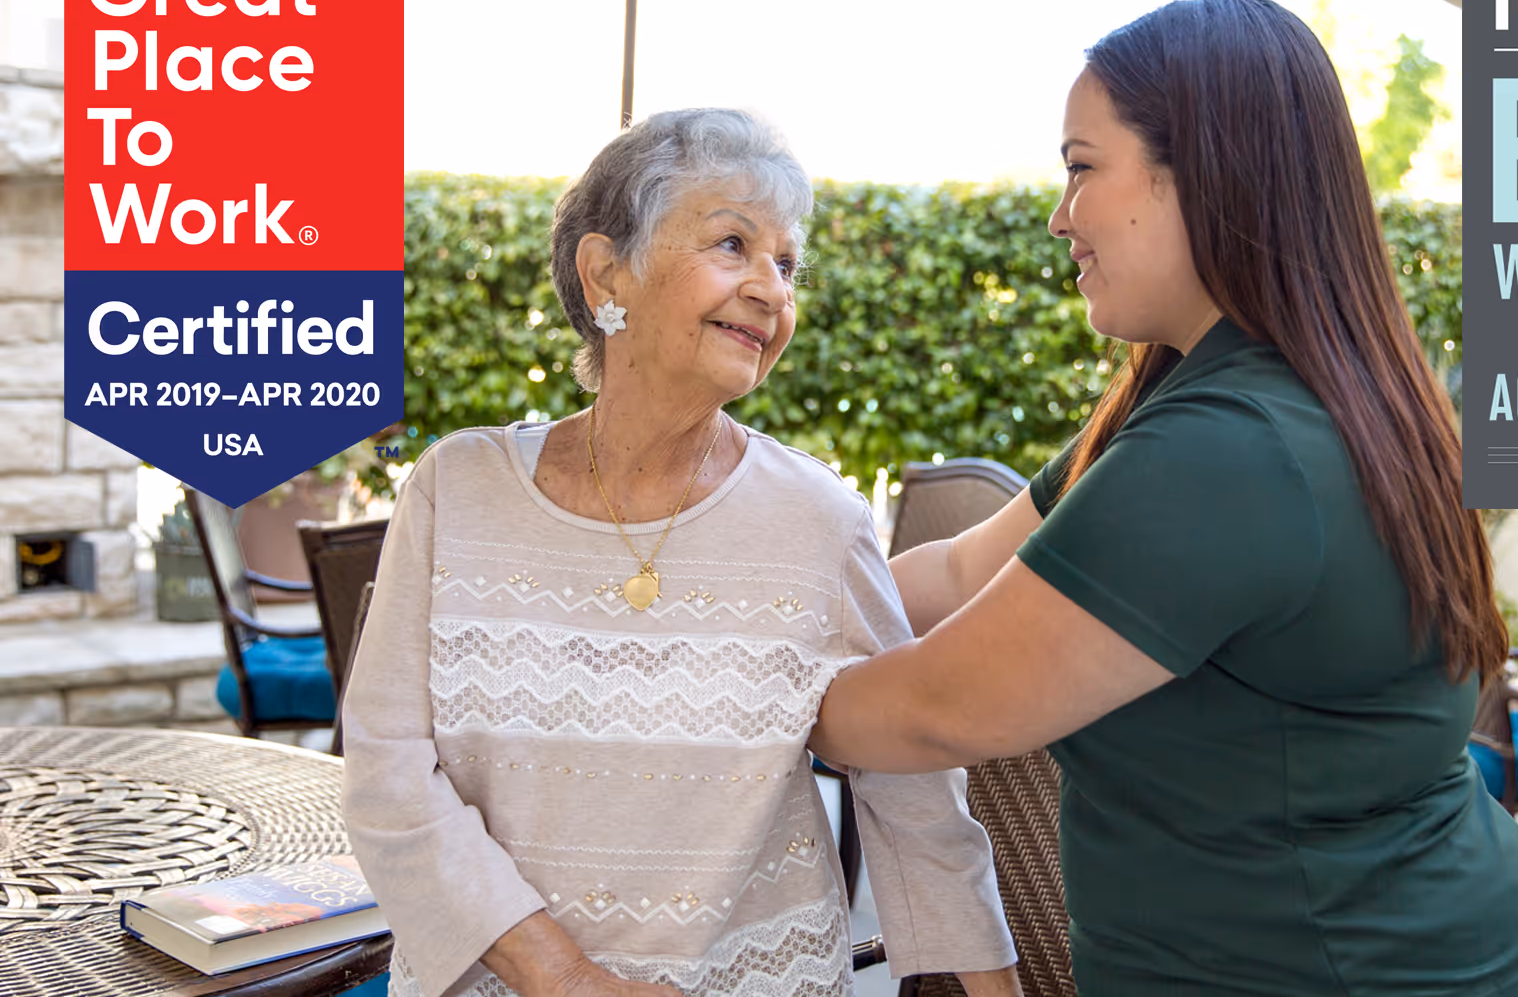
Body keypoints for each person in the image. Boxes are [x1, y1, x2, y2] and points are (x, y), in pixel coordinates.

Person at [809, 0, 1518, 997]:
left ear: (1202, 173)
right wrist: (776, 602)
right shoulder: (1237, 391)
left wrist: (720, 683)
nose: (1060, 215)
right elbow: (958, 571)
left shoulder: (1232, 452)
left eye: (1082, 166)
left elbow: (934, 710)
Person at [342, 109, 1019, 997]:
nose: (772, 290)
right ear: (604, 271)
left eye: (786, 263)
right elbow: (388, 775)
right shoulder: (455, 488)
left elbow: (919, 810)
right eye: (732, 244)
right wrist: (570, 979)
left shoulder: (818, 519)